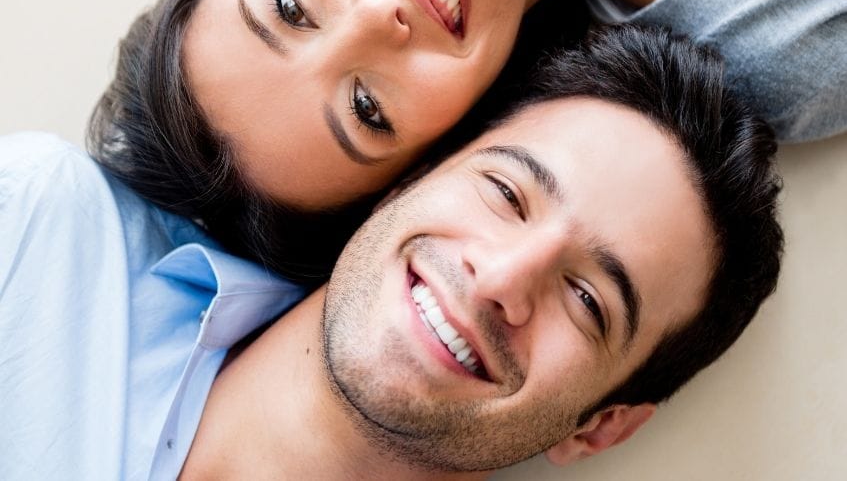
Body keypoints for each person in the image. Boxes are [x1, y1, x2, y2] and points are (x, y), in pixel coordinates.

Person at [1, 26, 783, 479]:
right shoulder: (34, 229)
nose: (500, 279)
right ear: (407, 178)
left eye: (587, 303)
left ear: (599, 426)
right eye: (506, 194)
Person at [88, 0, 844, 281]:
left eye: (286, 7)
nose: (375, 19)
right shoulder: (773, 39)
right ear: (453, 141)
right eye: (367, 110)